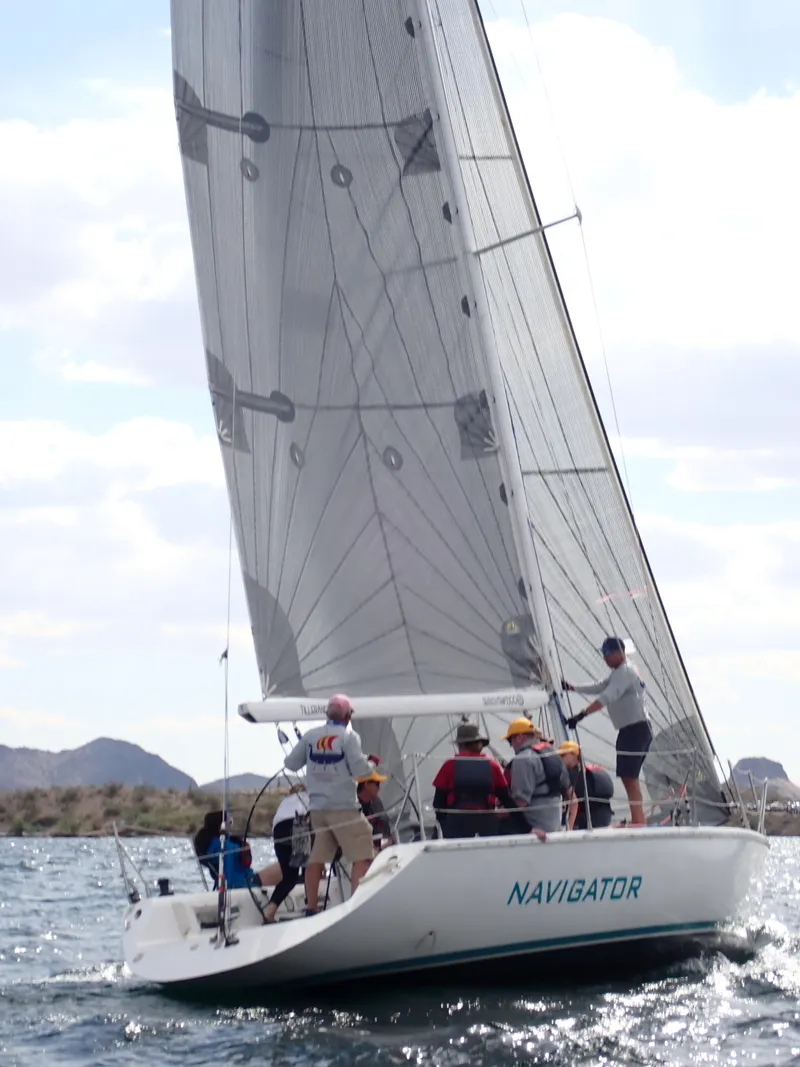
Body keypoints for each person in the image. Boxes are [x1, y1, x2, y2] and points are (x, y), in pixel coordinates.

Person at [283, 693, 375, 915]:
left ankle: (311, 907)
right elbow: (361, 771)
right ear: (347, 716)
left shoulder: (310, 737)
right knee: (362, 854)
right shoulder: (349, 737)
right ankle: (357, 906)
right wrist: (371, 762)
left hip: (318, 809)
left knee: (317, 857)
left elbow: (290, 764)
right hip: (344, 808)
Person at [563, 636, 653, 826]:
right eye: (603, 654)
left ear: (619, 653)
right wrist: (573, 688)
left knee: (630, 776)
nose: (604, 658)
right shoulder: (619, 672)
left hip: (636, 729)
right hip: (633, 729)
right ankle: (638, 818)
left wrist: (580, 716)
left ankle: (638, 820)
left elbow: (607, 696)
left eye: (607, 654)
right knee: (629, 775)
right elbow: (600, 686)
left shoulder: (625, 671)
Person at [432, 722, 513, 838]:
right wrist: (528, 828)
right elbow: (506, 799)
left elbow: (438, 803)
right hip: (487, 824)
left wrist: (443, 825)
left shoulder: (449, 766)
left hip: (456, 824)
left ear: (461, 745)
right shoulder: (492, 765)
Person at [502, 718, 569, 838]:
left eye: (510, 740)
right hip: (554, 825)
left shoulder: (522, 759)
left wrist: (493, 813)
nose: (511, 745)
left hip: (535, 828)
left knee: (494, 825)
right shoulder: (552, 753)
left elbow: (520, 802)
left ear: (519, 737)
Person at [193, 811, 281, 891]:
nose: (231, 826)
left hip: (243, 878)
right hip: (245, 883)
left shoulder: (211, 844)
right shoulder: (225, 846)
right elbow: (228, 873)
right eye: (229, 822)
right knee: (284, 867)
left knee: (282, 865)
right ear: (221, 826)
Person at [262, 782, 309, 923]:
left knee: (289, 878)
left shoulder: (285, 802)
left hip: (278, 832)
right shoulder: (308, 797)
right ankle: (311, 907)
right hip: (298, 824)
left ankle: (269, 912)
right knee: (310, 870)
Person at [558, 741, 614, 830]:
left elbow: (573, 804)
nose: (559, 759)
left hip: (585, 821)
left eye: (562, 755)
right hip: (605, 818)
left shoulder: (570, 776)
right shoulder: (588, 773)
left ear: (574, 755)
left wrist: (569, 828)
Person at [357, 769, 395, 851]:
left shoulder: (376, 802)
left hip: (381, 850)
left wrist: (389, 840)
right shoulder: (351, 806)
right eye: (377, 784)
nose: (379, 788)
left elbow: (385, 825)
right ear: (366, 784)